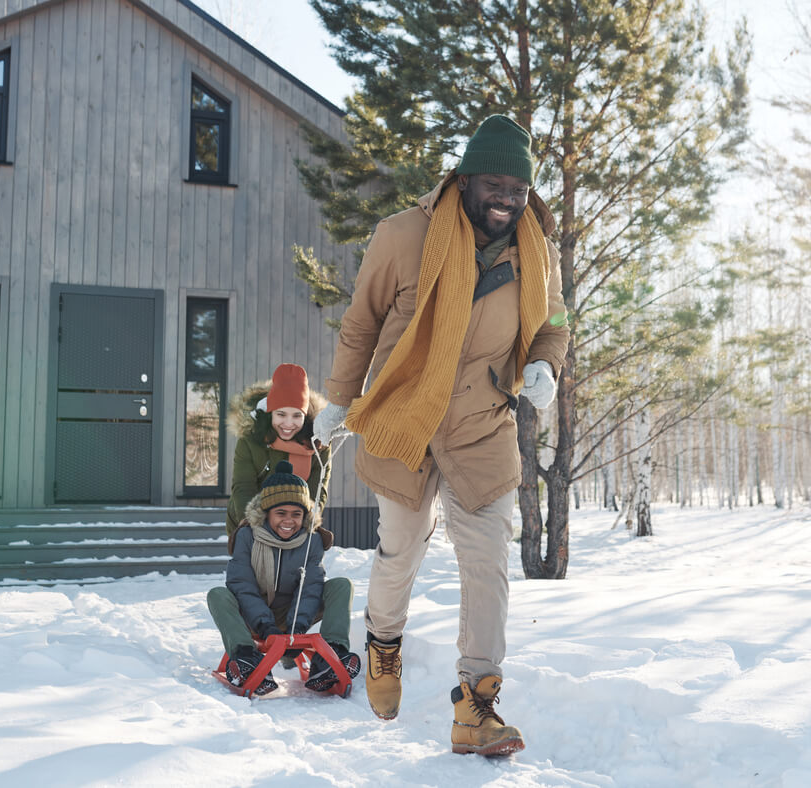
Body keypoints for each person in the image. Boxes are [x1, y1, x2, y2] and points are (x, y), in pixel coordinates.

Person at [312, 114, 569, 756]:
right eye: (494, 183)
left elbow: (554, 324)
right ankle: (383, 645)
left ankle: (476, 706)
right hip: (404, 420)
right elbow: (361, 324)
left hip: (483, 428)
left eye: (517, 186)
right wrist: (339, 400)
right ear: (465, 179)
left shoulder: (538, 252)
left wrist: (544, 365)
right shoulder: (404, 235)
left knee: (487, 564)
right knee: (401, 548)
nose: (506, 197)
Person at [207, 460, 361, 695]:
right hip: (254, 614)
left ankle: (331, 655)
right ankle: (247, 658)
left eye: (296, 514)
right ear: (266, 513)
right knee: (218, 595)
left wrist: (297, 628)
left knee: (341, 585)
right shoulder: (247, 536)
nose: (289, 521)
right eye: (280, 513)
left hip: (296, 613)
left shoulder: (313, 539)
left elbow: (311, 586)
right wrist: (266, 627)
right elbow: (242, 585)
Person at [226, 363, 331, 540]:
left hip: (293, 526)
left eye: (297, 416)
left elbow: (317, 492)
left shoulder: (318, 443)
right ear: (270, 413)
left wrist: (305, 525)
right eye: (281, 415)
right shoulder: (251, 438)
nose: (289, 424)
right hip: (249, 521)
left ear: (305, 417)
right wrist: (252, 527)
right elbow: (243, 486)